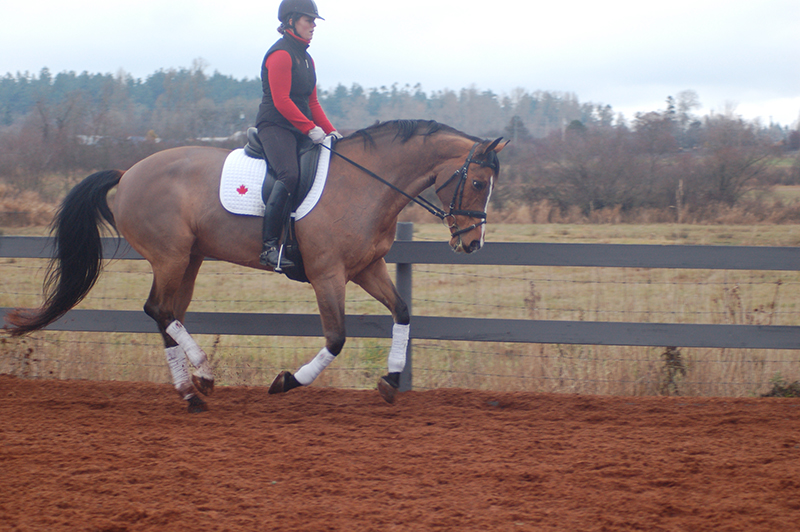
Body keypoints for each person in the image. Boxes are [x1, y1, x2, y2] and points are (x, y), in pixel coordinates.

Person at [255, 0, 341, 269]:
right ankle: (269, 246)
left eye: (314, 21)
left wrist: (330, 131)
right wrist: (309, 128)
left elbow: (312, 102)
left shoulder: (306, 58)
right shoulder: (280, 54)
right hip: (275, 127)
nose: (314, 26)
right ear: (291, 21)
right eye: (308, 20)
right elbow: (281, 100)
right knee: (289, 175)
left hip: (300, 127)